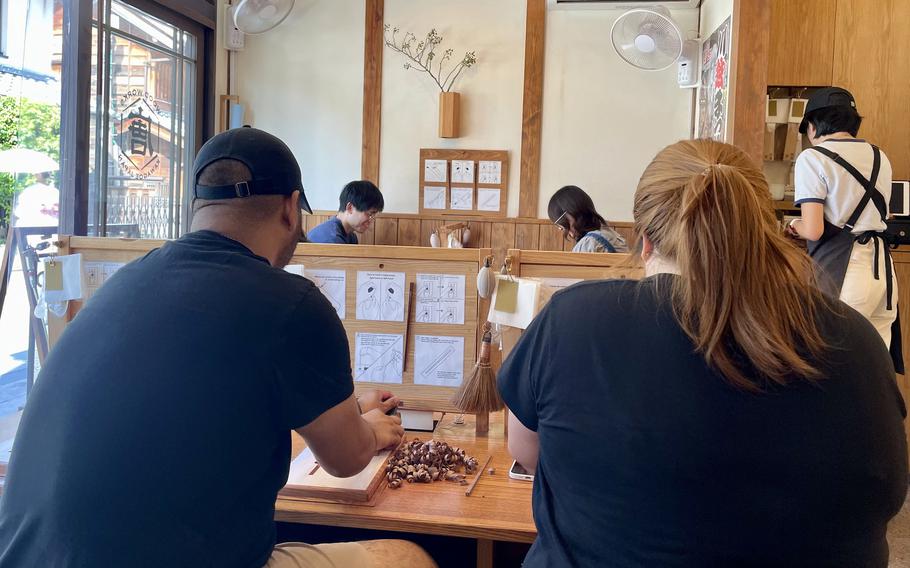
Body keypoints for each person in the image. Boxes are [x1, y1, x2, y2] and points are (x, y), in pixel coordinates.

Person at [0, 127, 436, 568]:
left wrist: (351, 411)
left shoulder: (122, 284)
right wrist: (373, 431)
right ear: (290, 208)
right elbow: (346, 459)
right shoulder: (292, 303)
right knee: (408, 556)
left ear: (196, 207)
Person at [500, 139, 908, 567]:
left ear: (645, 243)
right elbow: (885, 494)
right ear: (764, 233)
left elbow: (526, 449)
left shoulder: (573, 320)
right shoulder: (855, 340)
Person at [786, 86, 902, 371]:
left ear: (812, 126)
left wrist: (793, 225)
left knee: (833, 368)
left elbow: (813, 229)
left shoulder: (812, 158)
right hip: (883, 275)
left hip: (845, 275)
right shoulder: (879, 156)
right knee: (875, 370)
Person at [547, 185, 628, 253]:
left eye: (561, 225)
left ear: (572, 211)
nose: (561, 228)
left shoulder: (589, 243)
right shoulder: (608, 232)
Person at [307, 180, 384, 244]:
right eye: (369, 214)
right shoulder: (332, 238)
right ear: (350, 208)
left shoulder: (351, 236)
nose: (370, 221)